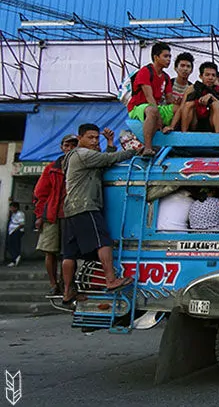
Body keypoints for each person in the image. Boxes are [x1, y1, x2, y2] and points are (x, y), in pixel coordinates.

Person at [61, 124, 139, 307]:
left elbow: (104, 163)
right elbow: (109, 159)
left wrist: (110, 142)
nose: (95, 141)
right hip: (85, 206)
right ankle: (111, 280)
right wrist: (134, 151)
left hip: (71, 208)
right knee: (103, 241)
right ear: (80, 138)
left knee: (69, 252)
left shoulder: (74, 157)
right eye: (90, 137)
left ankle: (67, 291)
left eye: (97, 138)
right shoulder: (83, 154)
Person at [33, 133, 79, 294]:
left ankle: (66, 284)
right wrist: (39, 216)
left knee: (69, 253)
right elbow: (40, 194)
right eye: (67, 145)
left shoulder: (80, 165)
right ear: (61, 148)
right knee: (50, 251)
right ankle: (53, 284)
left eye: (73, 145)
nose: (70, 148)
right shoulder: (51, 168)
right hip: (52, 215)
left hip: (71, 214)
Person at [127, 42, 180, 157]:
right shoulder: (145, 71)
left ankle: (174, 134)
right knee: (152, 110)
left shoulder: (166, 77)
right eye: (165, 56)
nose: (169, 59)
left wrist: (181, 101)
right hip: (138, 106)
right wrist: (159, 119)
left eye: (170, 57)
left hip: (155, 107)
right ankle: (148, 147)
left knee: (179, 109)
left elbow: (170, 99)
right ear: (156, 57)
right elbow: (149, 97)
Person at [181, 62, 219, 132]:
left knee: (217, 104)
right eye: (207, 75)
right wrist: (172, 126)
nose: (210, 78)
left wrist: (212, 97)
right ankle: (183, 133)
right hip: (195, 121)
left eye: (213, 75)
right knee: (188, 104)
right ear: (201, 76)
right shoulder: (193, 87)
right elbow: (182, 107)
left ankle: (217, 135)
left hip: (211, 122)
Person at [5, 202, 24, 267]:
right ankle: (15, 258)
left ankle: (16, 257)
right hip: (11, 231)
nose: (11, 209)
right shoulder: (13, 214)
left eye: (12, 207)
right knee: (10, 245)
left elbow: (22, 224)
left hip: (16, 231)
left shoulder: (20, 214)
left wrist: (15, 230)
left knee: (14, 245)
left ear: (16, 207)